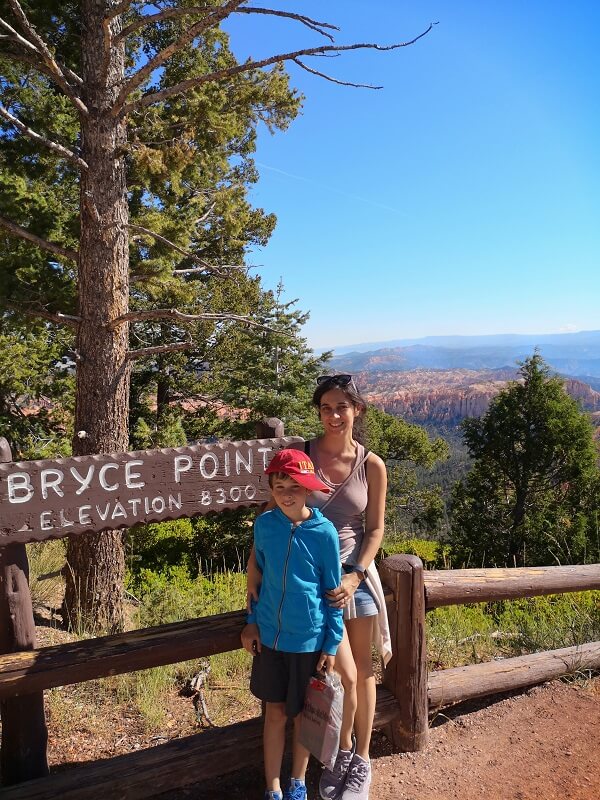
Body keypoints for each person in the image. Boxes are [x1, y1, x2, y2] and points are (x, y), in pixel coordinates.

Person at [247, 374, 391, 800]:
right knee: (339, 675)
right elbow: (271, 520)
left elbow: (376, 529)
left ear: (357, 410)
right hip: (310, 582)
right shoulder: (301, 456)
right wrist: (253, 569)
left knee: (360, 673)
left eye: (341, 407)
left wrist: (356, 574)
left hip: (354, 575)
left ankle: (358, 760)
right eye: (325, 407)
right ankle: (338, 751)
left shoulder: (371, 465)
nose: (333, 415)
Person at [241, 448, 344, 800]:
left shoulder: (324, 533)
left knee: (303, 716)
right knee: (275, 713)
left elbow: (332, 594)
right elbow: (258, 581)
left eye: (295, 485)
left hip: (309, 641)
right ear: (270, 487)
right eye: (279, 484)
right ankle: (273, 786)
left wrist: (331, 644)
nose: (287, 492)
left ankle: (297, 782)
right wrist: (251, 623)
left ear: (308, 489)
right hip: (270, 637)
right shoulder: (265, 526)